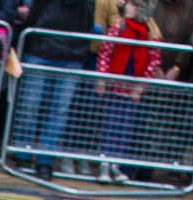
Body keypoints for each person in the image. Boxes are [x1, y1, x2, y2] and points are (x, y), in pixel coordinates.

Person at [11, 0, 100, 176]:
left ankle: (44, 159)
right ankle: (25, 153)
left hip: (65, 53)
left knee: (56, 109)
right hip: (45, 48)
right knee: (33, 105)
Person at [98, 0, 166, 182]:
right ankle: (105, 163)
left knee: (125, 127)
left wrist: (140, 87)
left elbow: (153, 61)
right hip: (115, 85)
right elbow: (105, 51)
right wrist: (102, 78)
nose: (128, 7)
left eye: (133, 5)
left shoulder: (150, 33)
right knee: (110, 125)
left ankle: (116, 165)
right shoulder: (118, 27)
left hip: (132, 88)